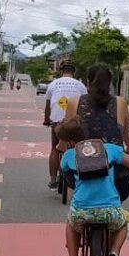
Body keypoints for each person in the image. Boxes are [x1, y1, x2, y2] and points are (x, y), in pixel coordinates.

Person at [56, 117, 129, 256]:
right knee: (122, 224)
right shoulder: (108, 148)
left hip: (81, 212)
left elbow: (64, 170)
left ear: (68, 141)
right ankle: (113, 255)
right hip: (109, 211)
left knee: (70, 223)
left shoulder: (70, 155)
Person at [63, 64, 129, 199]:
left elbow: (66, 132)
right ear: (109, 83)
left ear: (87, 81)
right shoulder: (120, 103)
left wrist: (61, 146)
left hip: (82, 172)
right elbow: (126, 133)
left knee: (75, 204)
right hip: (116, 176)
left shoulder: (75, 102)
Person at [43, 62, 86, 190]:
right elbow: (85, 104)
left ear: (61, 71)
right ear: (74, 72)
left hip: (57, 122)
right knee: (79, 149)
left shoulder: (53, 84)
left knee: (55, 149)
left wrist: (46, 120)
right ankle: (81, 175)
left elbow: (47, 105)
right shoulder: (81, 86)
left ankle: (53, 180)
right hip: (74, 123)